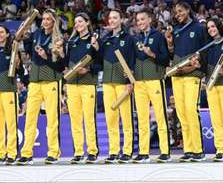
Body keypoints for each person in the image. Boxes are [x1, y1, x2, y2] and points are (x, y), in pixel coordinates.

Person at [17, 9, 65, 165]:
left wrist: (47, 57)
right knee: (30, 118)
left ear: (54, 21)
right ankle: (26, 153)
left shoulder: (59, 39)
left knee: (52, 119)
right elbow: (25, 45)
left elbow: (60, 65)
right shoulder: (37, 34)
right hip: (35, 82)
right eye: (43, 19)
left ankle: (53, 152)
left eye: (49, 19)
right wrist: (23, 30)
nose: (45, 21)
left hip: (52, 81)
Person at [192, 18, 223, 162]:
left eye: (213, 26)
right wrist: (197, 64)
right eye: (208, 28)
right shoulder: (208, 47)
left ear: (219, 27)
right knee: (216, 120)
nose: (211, 29)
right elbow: (203, 67)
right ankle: (220, 150)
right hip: (211, 87)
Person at [165, 1, 207, 162]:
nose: (178, 14)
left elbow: (203, 52)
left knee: (191, 110)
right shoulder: (176, 31)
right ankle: (188, 149)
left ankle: (198, 149)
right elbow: (173, 53)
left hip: (192, 75)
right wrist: (169, 43)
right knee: (181, 112)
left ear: (188, 10)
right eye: (176, 12)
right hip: (177, 75)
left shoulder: (199, 28)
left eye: (181, 11)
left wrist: (194, 68)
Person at [133, 9, 171, 163]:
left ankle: (165, 151)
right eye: (138, 20)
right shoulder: (135, 39)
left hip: (155, 80)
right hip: (139, 83)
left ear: (150, 19)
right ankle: (143, 152)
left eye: (142, 19)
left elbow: (166, 59)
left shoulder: (158, 36)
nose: (140, 22)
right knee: (142, 118)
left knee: (160, 116)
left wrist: (152, 54)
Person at [100, 9, 135, 163]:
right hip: (107, 82)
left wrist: (131, 82)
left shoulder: (129, 38)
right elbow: (98, 60)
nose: (112, 20)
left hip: (123, 83)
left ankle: (127, 151)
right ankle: (113, 151)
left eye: (115, 18)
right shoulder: (105, 40)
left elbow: (132, 61)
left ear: (121, 20)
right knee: (111, 118)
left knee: (126, 118)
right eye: (110, 18)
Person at [64, 12, 100, 164]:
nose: (78, 24)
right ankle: (78, 152)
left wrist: (89, 70)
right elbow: (66, 63)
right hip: (72, 85)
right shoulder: (72, 42)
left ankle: (92, 151)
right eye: (76, 22)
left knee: (89, 119)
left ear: (87, 22)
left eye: (80, 21)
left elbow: (100, 62)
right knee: (75, 120)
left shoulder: (94, 39)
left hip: (87, 84)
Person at [0, 25, 24, 165]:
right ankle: (1, 153)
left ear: (8, 34)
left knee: (11, 124)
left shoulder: (13, 49)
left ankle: (12, 153)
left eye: (2, 32)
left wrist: (17, 64)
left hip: (9, 90)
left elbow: (21, 72)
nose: (0, 34)